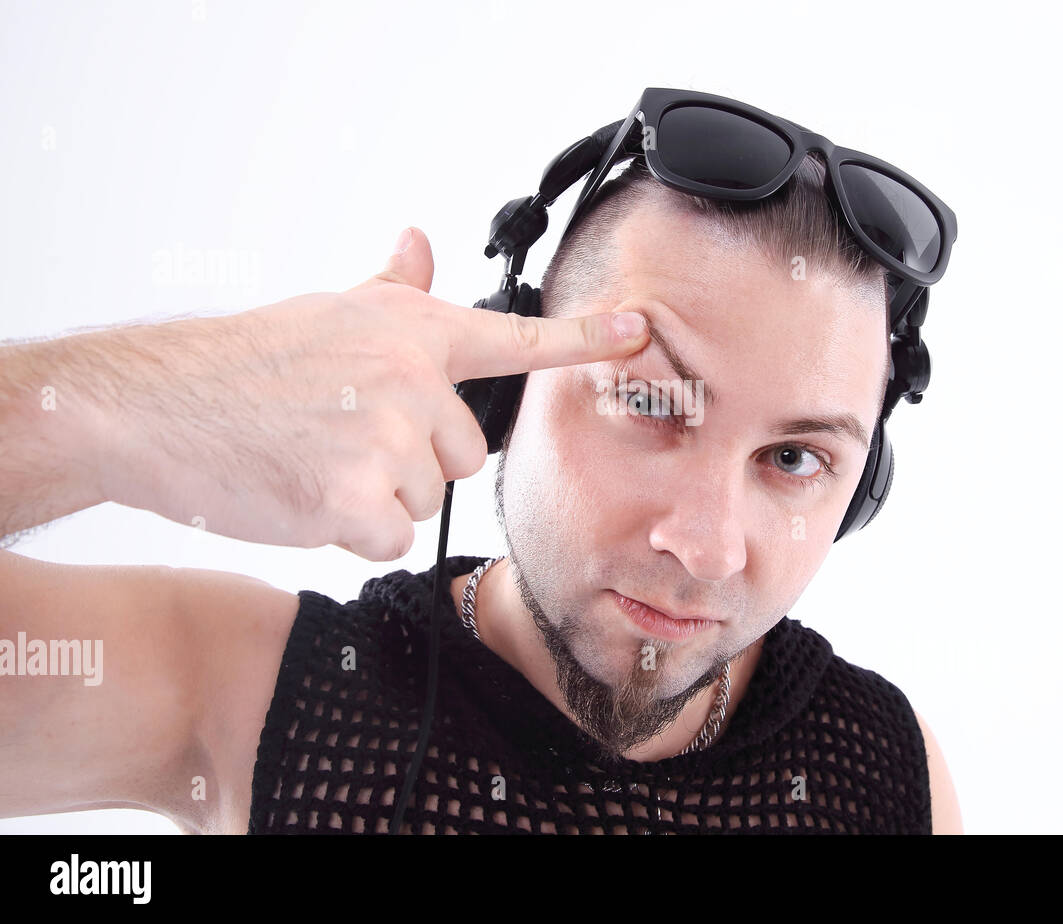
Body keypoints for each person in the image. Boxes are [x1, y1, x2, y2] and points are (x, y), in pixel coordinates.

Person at [0, 136, 960, 836]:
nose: (706, 546)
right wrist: (147, 405)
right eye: (648, 399)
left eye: (795, 459)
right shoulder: (254, 693)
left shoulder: (888, 767)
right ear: (504, 385)